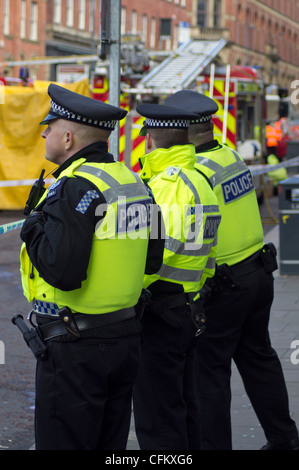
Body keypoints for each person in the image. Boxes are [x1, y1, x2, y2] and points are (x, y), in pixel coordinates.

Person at [19, 84, 164, 450]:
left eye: (48, 127)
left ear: (67, 137)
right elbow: (153, 259)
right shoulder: (134, 182)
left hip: (75, 346)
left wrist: (33, 228)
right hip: (125, 335)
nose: (43, 133)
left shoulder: (74, 187)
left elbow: (63, 272)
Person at [164, 90, 299, 450]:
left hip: (223, 287)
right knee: (260, 360)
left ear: (179, 130)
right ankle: (284, 438)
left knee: (209, 375)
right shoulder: (230, 156)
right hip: (257, 273)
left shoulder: (194, 174)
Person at [132, 103, 221, 449]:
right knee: (184, 409)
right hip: (187, 305)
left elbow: (156, 254)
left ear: (150, 141)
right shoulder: (200, 179)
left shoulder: (167, 186)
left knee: (158, 419)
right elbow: (209, 252)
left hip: (160, 312)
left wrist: (126, 293)